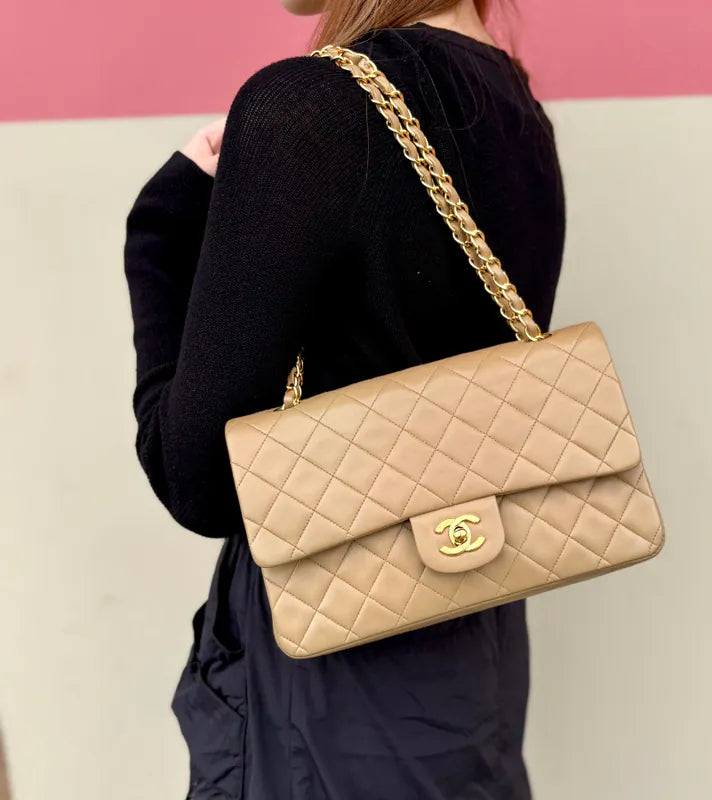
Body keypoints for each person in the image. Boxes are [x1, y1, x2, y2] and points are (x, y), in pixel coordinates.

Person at [123, 1, 565, 797]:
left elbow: (198, 482)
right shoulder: (515, 107)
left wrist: (161, 228)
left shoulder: (310, 110)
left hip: (329, 681)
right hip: (475, 647)